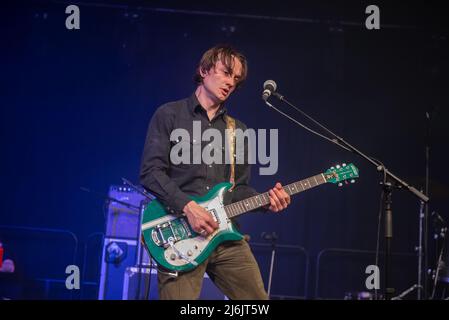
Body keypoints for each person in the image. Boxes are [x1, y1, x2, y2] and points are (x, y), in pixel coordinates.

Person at [140, 44, 291, 300]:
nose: (230, 82)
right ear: (204, 70)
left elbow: (238, 189)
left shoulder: (238, 131)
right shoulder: (169, 115)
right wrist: (188, 206)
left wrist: (267, 201)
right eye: (225, 72)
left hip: (226, 238)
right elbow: (150, 172)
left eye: (236, 78)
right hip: (180, 233)